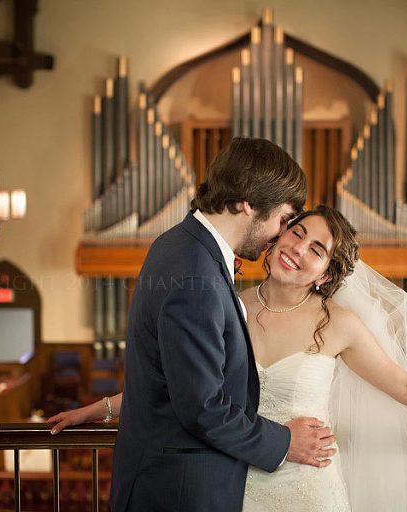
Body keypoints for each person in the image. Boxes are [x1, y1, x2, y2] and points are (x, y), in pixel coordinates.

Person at [50, 204, 407, 511]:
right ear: (276, 236)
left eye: (316, 250)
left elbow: (404, 386)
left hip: (308, 487)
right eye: (296, 233)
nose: (298, 249)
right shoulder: (227, 302)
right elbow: (188, 384)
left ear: (325, 273)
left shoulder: (338, 323)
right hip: (236, 479)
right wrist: (101, 408)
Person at [93, 138, 337, 512]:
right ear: (249, 203)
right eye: (284, 219)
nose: (281, 235)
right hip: (180, 493)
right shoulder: (196, 275)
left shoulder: (178, 244)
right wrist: (285, 441)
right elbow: (202, 407)